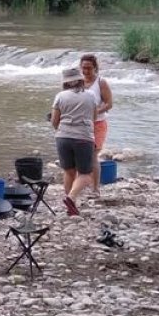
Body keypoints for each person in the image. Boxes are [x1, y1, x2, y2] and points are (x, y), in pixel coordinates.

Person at [51, 66, 96, 216]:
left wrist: (62, 130)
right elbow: (93, 118)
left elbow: (54, 121)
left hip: (63, 137)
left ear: (66, 82)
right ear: (80, 80)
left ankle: (70, 206)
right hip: (83, 137)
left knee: (69, 171)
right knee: (85, 174)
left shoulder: (60, 96)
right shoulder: (90, 96)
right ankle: (71, 198)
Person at [80, 53, 114, 196]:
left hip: (98, 123)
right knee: (81, 155)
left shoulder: (101, 83)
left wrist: (95, 112)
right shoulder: (78, 82)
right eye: (83, 68)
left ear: (95, 68)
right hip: (81, 124)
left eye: (89, 68)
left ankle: (96, 189)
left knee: (93, 155)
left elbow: (109, 104)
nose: (86, 71)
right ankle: (82, 184)